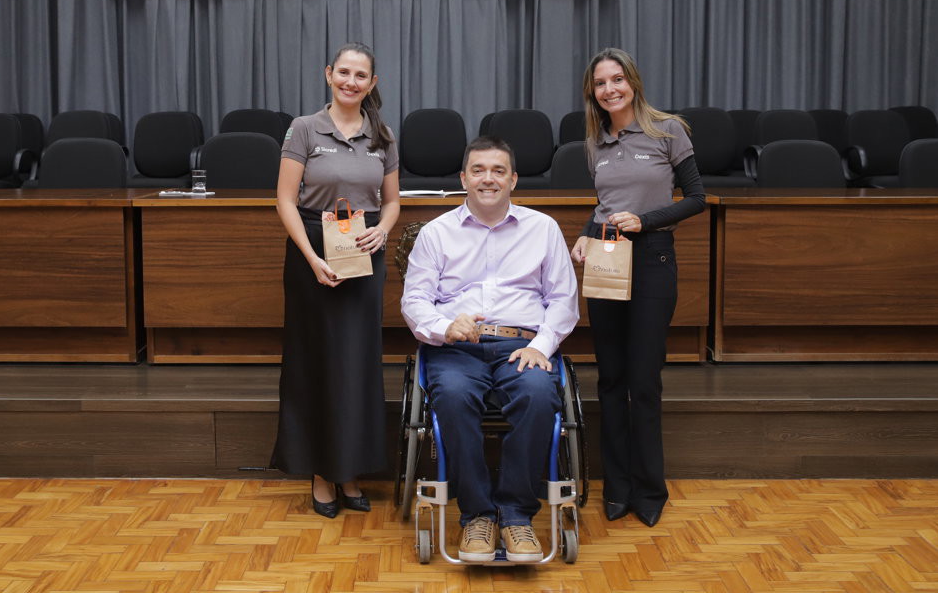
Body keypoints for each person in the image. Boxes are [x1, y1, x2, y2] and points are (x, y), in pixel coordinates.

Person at [401, 135, 578, 562]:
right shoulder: (436, 233)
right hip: (457, 348)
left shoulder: (544, 228)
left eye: (498, 170)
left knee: (538, 396)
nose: (488, 178)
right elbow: (414, 301)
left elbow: (564, 299)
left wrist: (542, 344)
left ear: (514, 179)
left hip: (523, 345)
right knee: (456, 398)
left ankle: (516, 516)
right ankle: (478, 516)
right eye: (478, 170)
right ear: (463, 178)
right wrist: (445, 326)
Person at [570, 48, 706, 527]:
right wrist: (588, 232)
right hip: (607, 261)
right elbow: (607, 205)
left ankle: (650, 489)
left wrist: (644, 222)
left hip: (652, 260)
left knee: (643, 382)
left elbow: (696, 199)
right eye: (601, 83)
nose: (610, 89)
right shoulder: (595, 142)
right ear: (593, 93)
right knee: (610, 379)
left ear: (632, 82)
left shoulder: (668, 130)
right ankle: (618, 486)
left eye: (617, 80)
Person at [272, 42, 400, 518]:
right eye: (343, 72)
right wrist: (311, 259)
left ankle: (350, 471)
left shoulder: (383, 135)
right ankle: (321, 473)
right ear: (329, 74)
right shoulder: (304, 128)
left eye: (360, 75)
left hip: (362, 252)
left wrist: (383, 232)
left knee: (357, 364)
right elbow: (285, 200)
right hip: (312, 251)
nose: (350, 81)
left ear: (372, 83)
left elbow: (391, 203)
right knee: (316, 362)